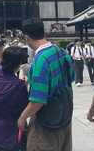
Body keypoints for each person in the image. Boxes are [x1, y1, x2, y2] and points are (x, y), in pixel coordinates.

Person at [17, 18, 75, 151]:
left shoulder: (41, 60)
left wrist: (22, 117)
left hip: (46, 122)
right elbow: (70, 78)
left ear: (26, 37)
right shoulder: (62, 52)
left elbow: (37, 101)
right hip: (64, 116)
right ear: (44, 32)